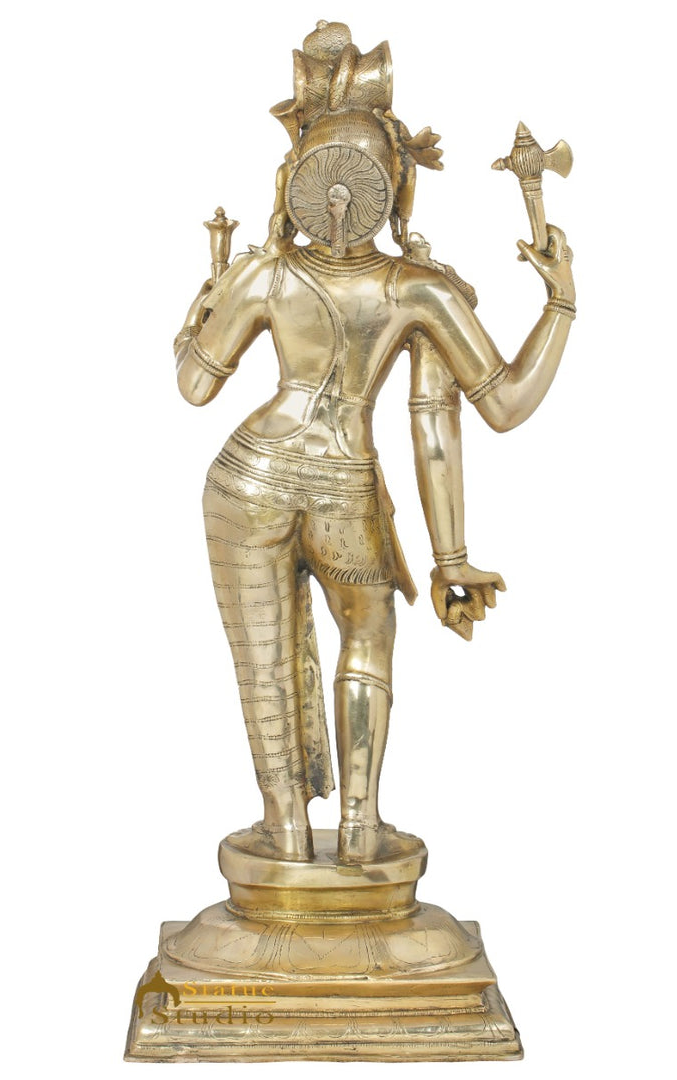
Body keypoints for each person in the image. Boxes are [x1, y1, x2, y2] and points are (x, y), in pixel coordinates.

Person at [173, 23, 575, 864]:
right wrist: (560, 304)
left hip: (246, 480)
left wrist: (201, 304)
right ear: (395, 189)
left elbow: (195, 385)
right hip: (343, 486)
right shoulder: (418, 288)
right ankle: (358, 826)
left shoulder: (263, 271)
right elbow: (486, 407)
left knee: (262, 661)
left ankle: (287, 831)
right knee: (367, 637)